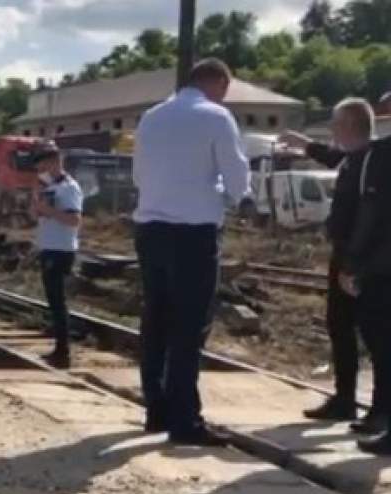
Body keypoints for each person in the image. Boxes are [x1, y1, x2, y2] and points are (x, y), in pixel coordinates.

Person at [132, 59, 250, 447]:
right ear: (217, 81)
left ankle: (156, 409)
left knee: (156, 319)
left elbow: (139, 175)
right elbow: (235, 177)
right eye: (225, 89)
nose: (225, 96)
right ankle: (185, 419)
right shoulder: (216, 117)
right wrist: (229, 194)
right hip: (193, 234)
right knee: (188, 326)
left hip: (149, 229)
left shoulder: (150, 117)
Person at [279, 99, 376, 430]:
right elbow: (333, 156)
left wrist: (353, 262)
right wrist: (305, 145)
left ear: (349, 125)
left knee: (374, 333)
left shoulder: (370, 161)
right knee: (339, 325)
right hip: (347, 255)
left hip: (362, 259)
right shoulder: (354, 159)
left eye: (335, 125)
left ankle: (379, 410)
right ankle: (345, 399)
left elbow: (369, 217)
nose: (332, 131)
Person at [349, 132, 391, 454]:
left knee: (381, 340)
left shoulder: (382, 153)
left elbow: (372, 210)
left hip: (382, 264)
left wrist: (353, 259)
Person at [29, 141, 83, 370]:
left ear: (53, 161)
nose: (39, 167)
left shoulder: (69, 187)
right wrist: (36, 204)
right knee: (53, 301)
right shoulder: (48, 186)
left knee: (58, 302)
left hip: (61, 249)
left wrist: (48, 210)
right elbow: (36, 215)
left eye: (42, 161)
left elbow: (74, 220)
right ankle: (59, 349)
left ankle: (63, 352)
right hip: (48, 246)